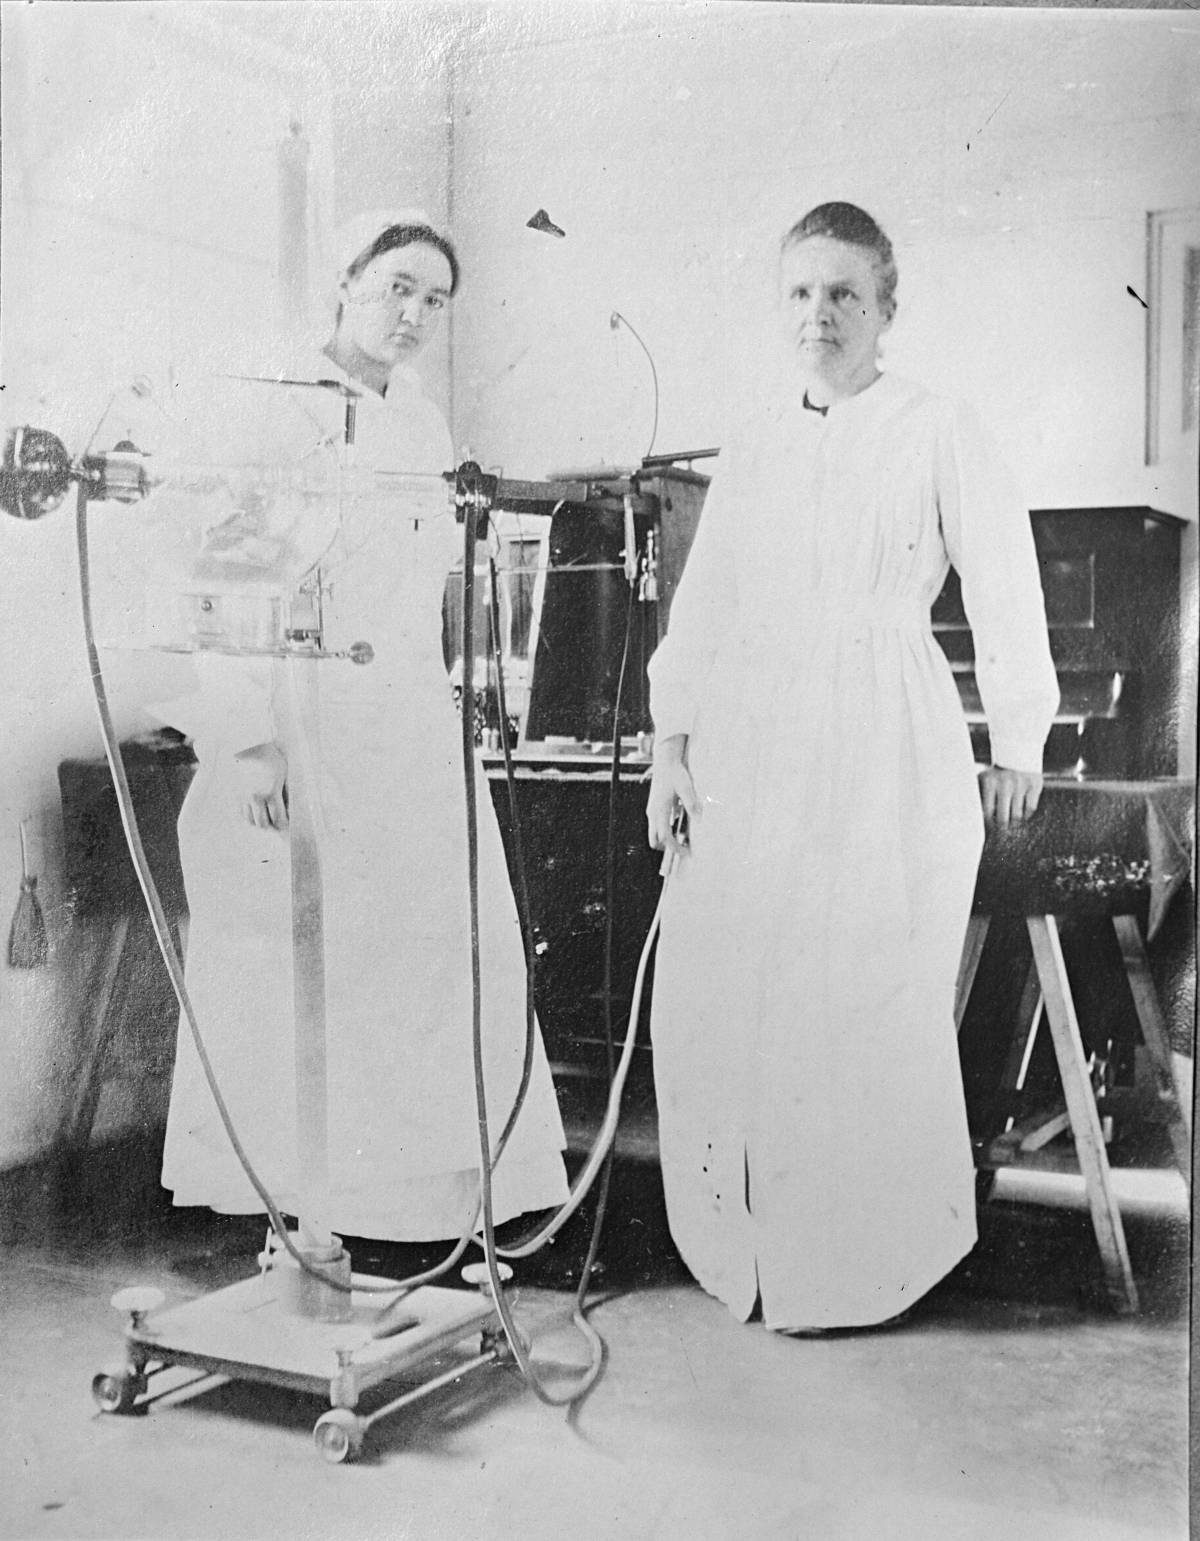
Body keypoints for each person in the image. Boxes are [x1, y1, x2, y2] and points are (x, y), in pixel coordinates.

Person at [644, 202, 1059, 1333]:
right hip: (755, 734)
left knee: (858, 984)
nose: (819, 315)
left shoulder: (936, 425)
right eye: (800, 293)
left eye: (844, 295)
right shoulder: (759, 438)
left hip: (883, 731)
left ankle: (855, 1258)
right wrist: (672, 745)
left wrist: (1018, 734)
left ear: (887, 308)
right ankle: (753, 1253)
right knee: (732, 983)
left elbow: (1004, 579)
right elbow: (708, 599)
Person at [158, 210, 568, 1242]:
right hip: (301, 716)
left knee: (424, 960)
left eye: (435, 300)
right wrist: (245, 734)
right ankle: (300, 1212)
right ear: (346, 283)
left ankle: (414, 1216)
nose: (414, 314)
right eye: (397, 286)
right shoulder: (281, 413)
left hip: (406, 722)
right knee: (306, 966)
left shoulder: (420, 423)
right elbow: (224, 579)